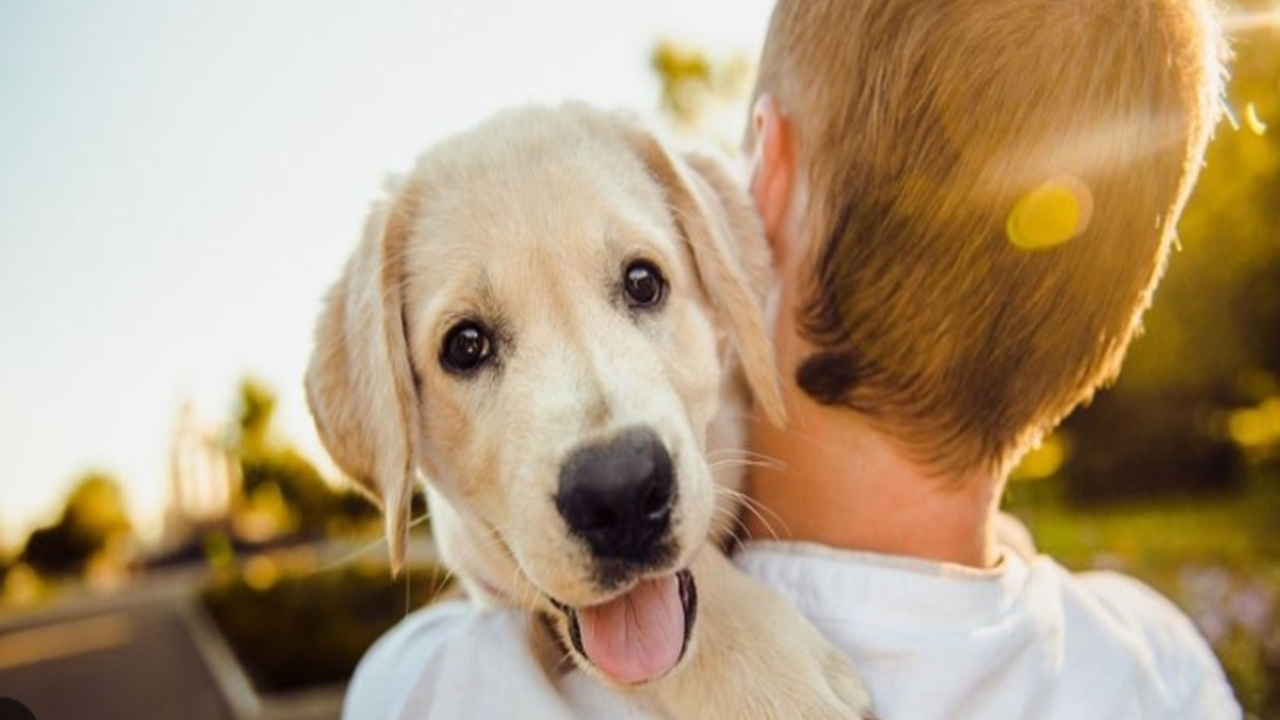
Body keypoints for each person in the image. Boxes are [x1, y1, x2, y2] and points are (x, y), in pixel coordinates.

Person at [343, 0, 1243, 717]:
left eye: (642, 286)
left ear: (760, 182)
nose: (609, 454)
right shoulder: (1163, 671)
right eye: (470, 345)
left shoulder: (431, 689)